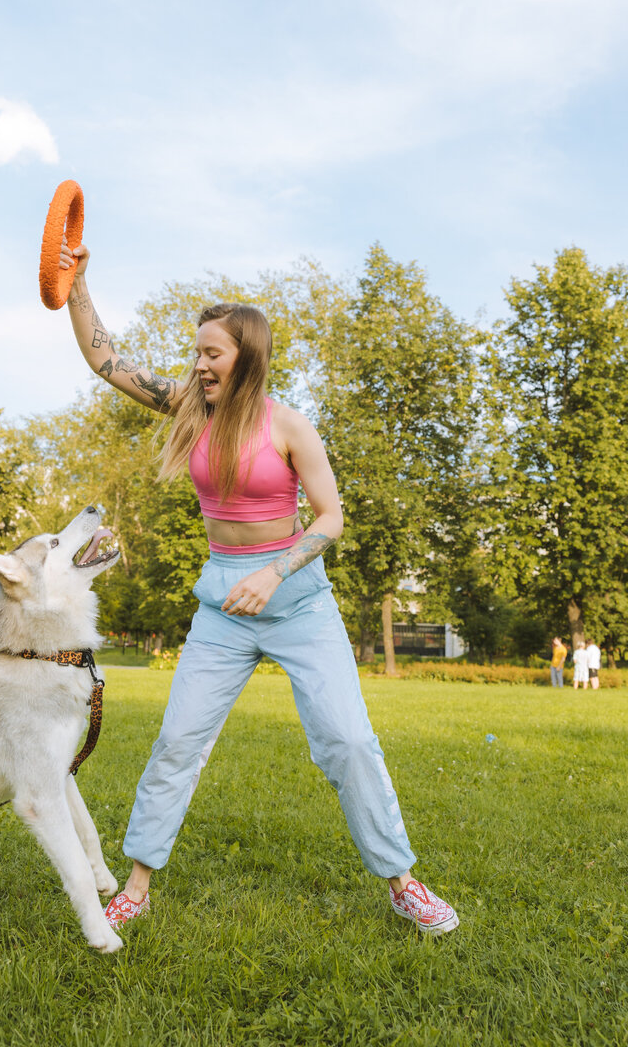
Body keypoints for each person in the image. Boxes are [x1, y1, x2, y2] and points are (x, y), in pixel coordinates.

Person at [61, 236, 459, 936]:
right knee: (178, 741)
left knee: (348, 741)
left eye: (210, 353)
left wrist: (276, 570)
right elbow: (106, 360)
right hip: (223, 606)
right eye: (196, 352)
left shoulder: (290, 426)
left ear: (246, 355)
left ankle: (402, 881)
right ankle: (137, 885)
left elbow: (333, 518)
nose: (197, 363)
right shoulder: (190, 407)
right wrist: (78, 283)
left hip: (298, 602)